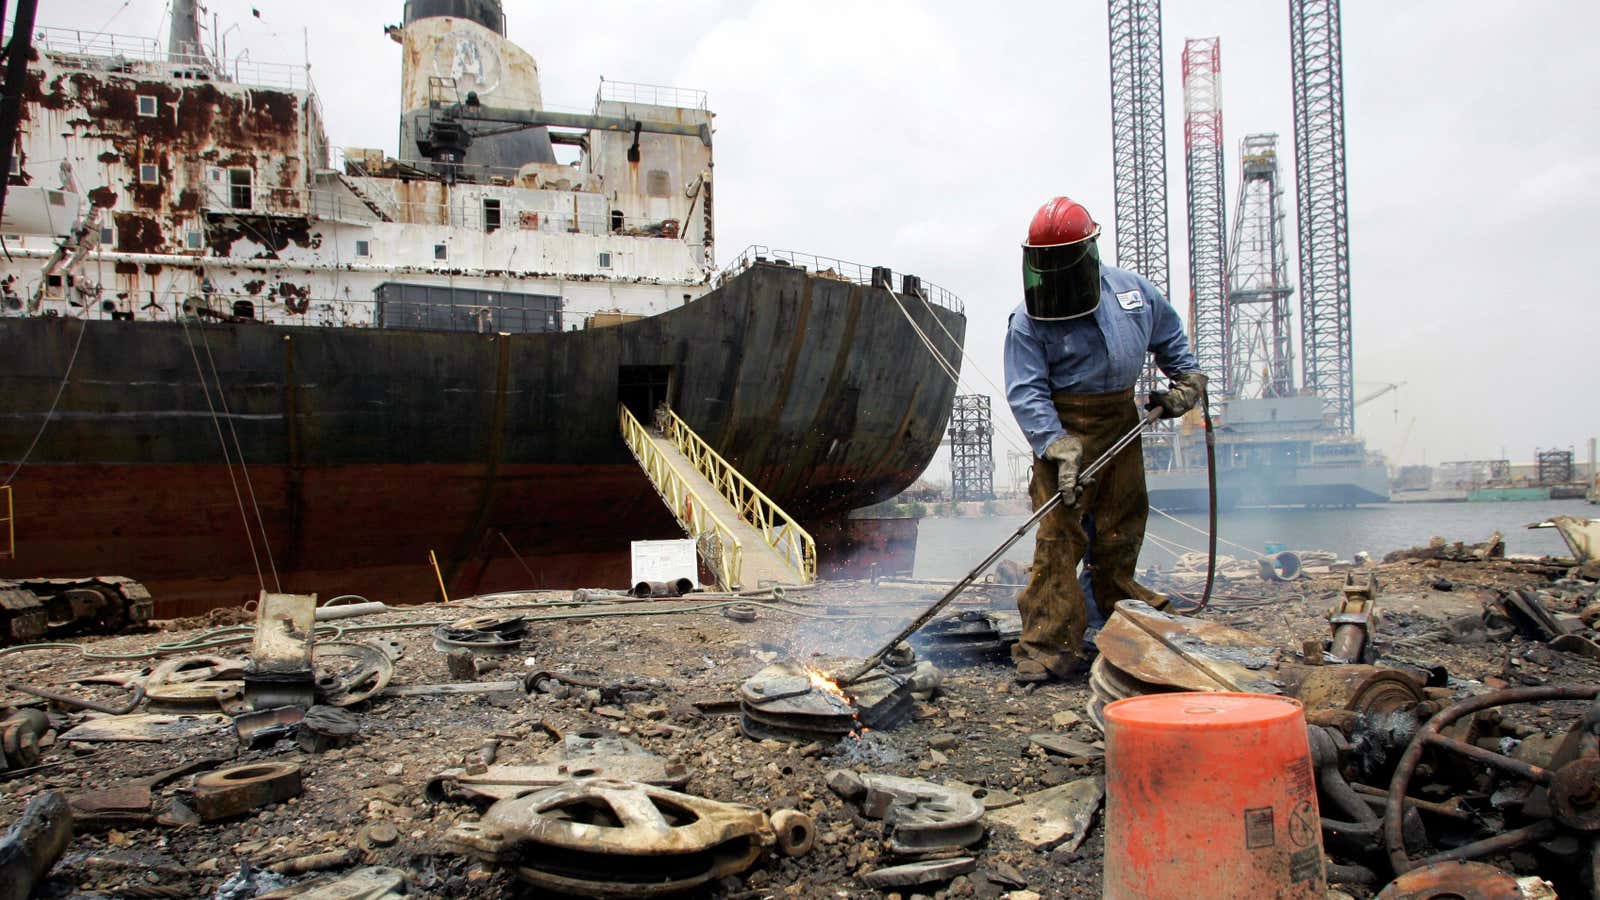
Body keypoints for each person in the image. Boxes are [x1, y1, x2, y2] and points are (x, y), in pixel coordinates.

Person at [1003, 196, 1206, 683]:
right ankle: (1049, 644)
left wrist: (1186, 380)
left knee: (1121, 528)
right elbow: (1026, 390)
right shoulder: (1028, 320)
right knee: (1059, 538)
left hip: (1121, 419)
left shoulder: (1132, 293)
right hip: (1063, 426)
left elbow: (1170, 337)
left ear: (1088, 253)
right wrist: (1056, 444)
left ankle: (1121, 623)